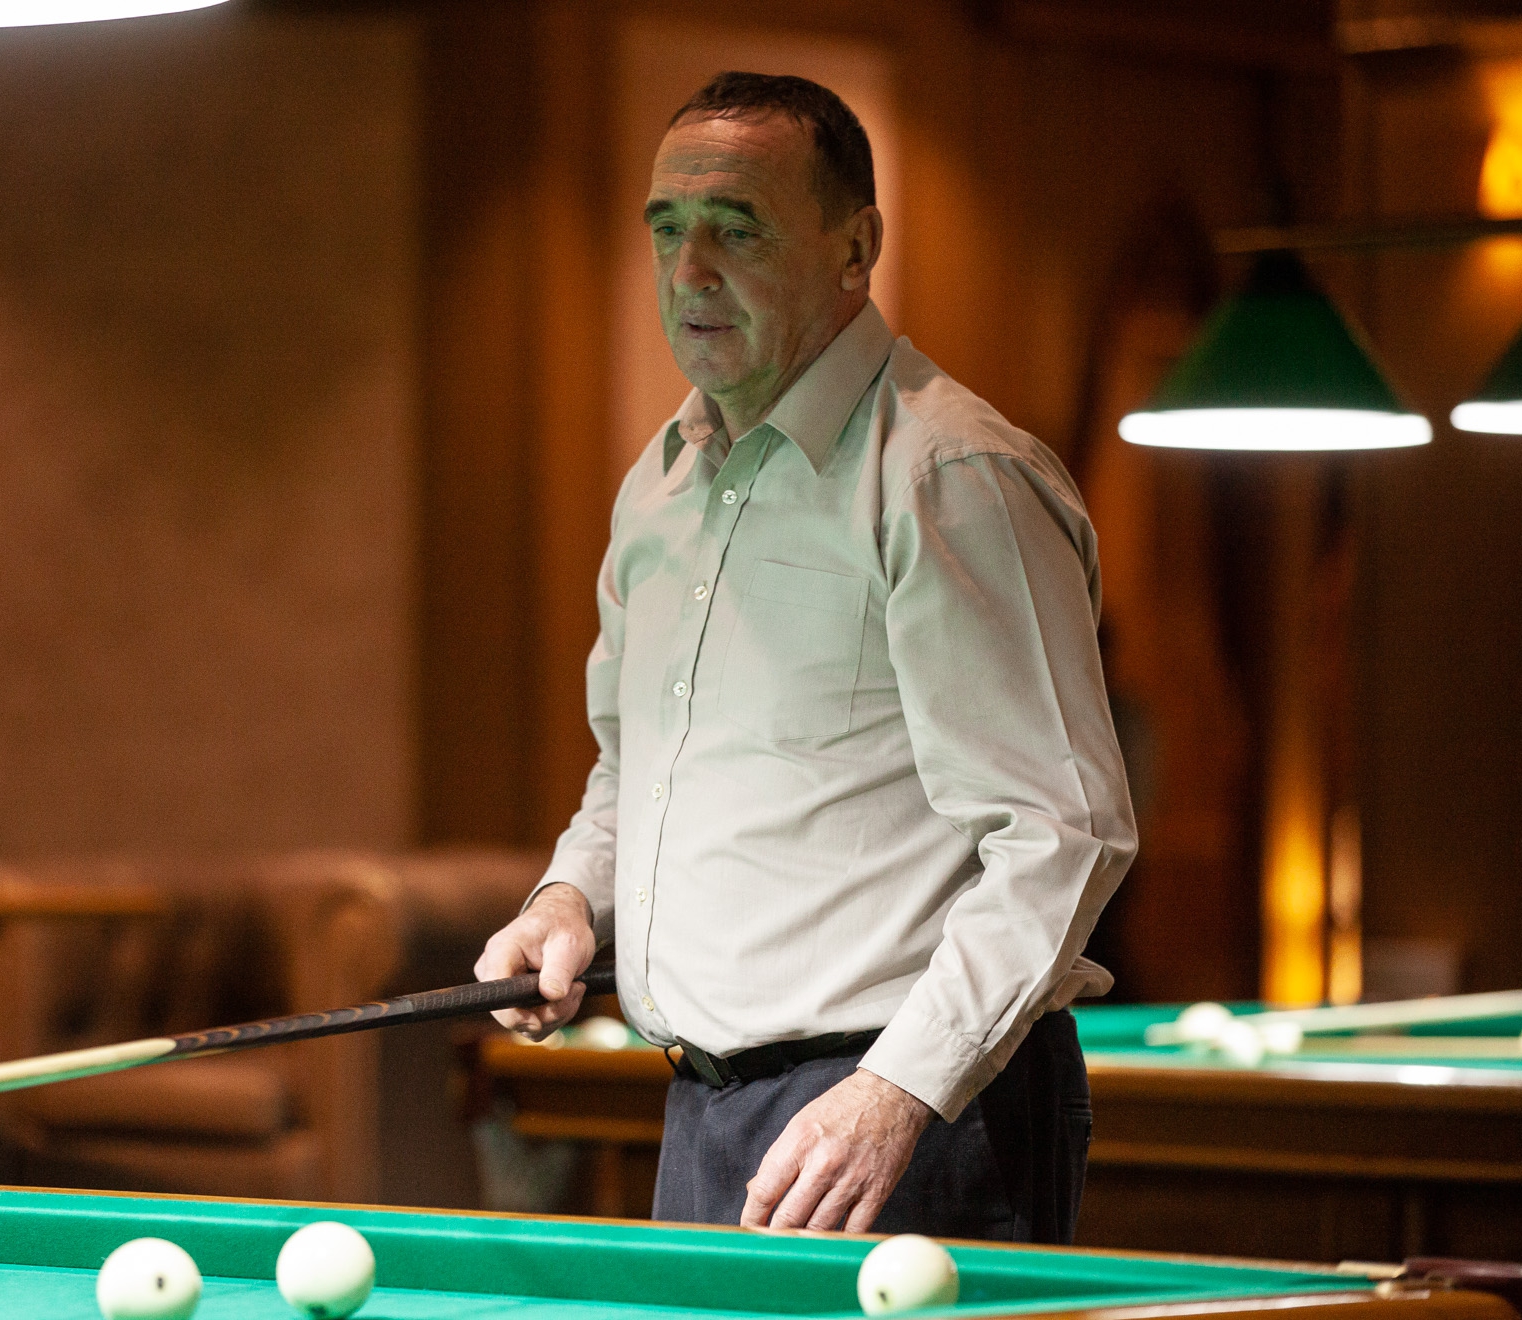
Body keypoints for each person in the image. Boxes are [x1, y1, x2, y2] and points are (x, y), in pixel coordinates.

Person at [474, 72, 1137, 1241]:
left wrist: (900, 1091)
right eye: (668, 230)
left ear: (855, 248)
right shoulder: (658, 489)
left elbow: (1064, 833)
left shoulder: (949, 476)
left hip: (911, 1112)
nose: (689, 272)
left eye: (735, 230)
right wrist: (570, 896)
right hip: (704, 1106)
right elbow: (635, 772)